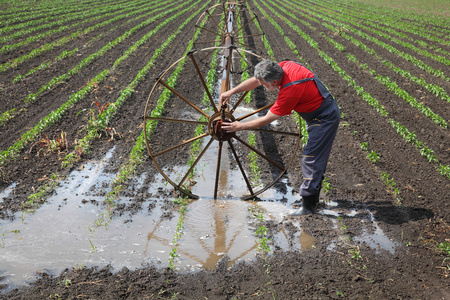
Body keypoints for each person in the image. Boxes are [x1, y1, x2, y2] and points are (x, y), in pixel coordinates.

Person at [219, 59, 340, 216]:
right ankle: (312, 198)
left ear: (274, 81)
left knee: (311, 157)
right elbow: (256, 81)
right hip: (317, 113)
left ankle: (308, 207)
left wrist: (238, 126)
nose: (263, 86)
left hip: (324, 118)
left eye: (265, 85)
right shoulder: (282, 67)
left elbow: (266, 120)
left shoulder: (290, 90)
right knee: (315, 157)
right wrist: (231, 92)